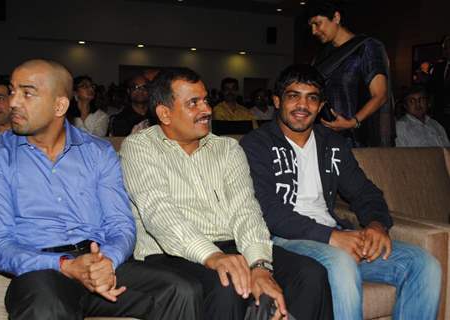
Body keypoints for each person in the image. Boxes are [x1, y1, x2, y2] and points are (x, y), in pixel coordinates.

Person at [0, 59, 199, 320]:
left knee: (181, 289)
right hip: (40, 272)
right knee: (46, 306)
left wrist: (107, 262)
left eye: (27, 93)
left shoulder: (98, 151)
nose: (13, 102)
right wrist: (64, 265)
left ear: (59, 105)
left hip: (99, 260)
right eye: (12, 91)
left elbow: (120, 224)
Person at [120, 67, 334, 320]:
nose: (207, 110)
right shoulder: (140, 147)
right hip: (169, 253)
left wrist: (259, 266)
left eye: (206, 100)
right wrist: (213, 256)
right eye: (193, 103)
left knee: (310, 273)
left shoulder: (228, 149)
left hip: (231, 246)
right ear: (165, 114)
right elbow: (159, 214)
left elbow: (246, 210)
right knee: (229, 284)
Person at [240, 64, 442, 320]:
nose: (303, 105)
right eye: (294, 96)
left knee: (424, 265)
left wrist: (377, 225)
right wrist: (332, 237)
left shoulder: (332, 143)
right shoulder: (256, 144)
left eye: (312, 98)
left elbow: (365, 192)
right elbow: (266, 211)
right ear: (278, 100)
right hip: (281, 241)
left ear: (320, 104)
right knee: (341, 262)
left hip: (333, 234)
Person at [308, 1, 393, 147]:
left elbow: (380, 95)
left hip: (355, 138)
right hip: (323, 137)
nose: (313, 31)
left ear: (336, 17)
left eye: (317, 23)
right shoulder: (321, 56)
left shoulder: (366, 47)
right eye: (311, 26)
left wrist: (353, 122)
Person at [429, 35, 450, 136]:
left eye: (447, 47)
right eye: (444, 48)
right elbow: (432, 88)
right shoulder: (438, 67)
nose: (446, 50)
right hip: (439, 114)